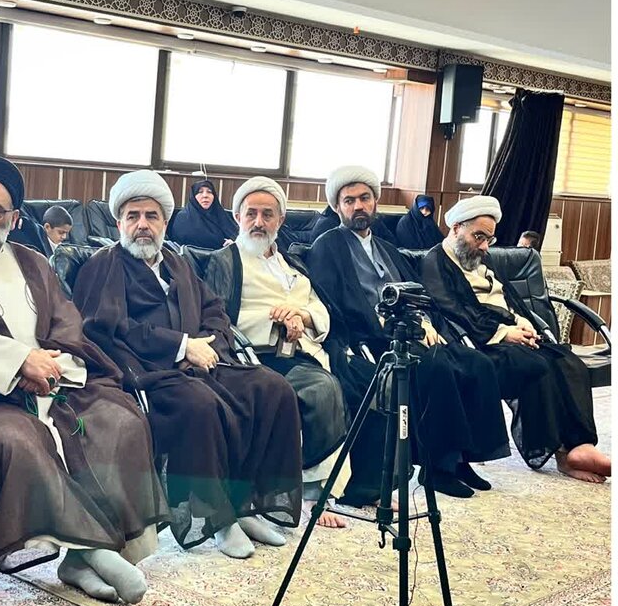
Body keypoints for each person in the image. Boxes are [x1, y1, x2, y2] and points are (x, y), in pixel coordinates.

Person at [0, 152, 168, 604]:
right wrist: (19, 362)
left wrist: (51, 365)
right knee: (20, 439)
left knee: (120, 419)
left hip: (55, 382)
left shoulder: (34, 262)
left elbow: (67, 322)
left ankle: (81, 559)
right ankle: (93, 550)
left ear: (15, 218)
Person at [72, 170, 304, 559]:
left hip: (204, 360)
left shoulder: (177, 263)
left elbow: (214, 309)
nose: (142, 225)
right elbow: (105, 326)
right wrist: (181, 346)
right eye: (132, 216)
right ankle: (218, 518)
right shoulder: (104, 265)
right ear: (119, 223)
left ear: (165, 221)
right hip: (148, 371)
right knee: (201, 406)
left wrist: (207, 344)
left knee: (272, 389)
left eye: (151, 216)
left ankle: (246, 503)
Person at [307, 165, 511, 499]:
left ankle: (464, 458)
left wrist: (424, 321)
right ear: (338, 207)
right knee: (436, 366)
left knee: (477, 363)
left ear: (375, 202)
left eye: (364, 198)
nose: (358, 206)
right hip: (373, 337)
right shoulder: (326, 246)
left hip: (413, 328)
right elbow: (333, 302)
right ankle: (437, 467)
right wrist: (387, 324)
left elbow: (419, 291)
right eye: (349, 201)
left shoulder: (387, 247)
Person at [204, 177, 392, 525]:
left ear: (280, 220)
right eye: (251, 214)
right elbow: (218, 317)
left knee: (379, 382)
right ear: (237, 217)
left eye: (268, 215)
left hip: (312, 348)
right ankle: (312, 492)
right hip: (264, 354)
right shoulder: (226, 261)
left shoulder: (291, 262)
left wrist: (302, 316)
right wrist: (277, 320)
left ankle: (365, 486)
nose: (258, 222)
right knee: (323, 390)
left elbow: (320, 308)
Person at [421, 195, 609, 483]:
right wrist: (503, 332)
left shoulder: (480, 259)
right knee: (535, 365)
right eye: (478, 237)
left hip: (506, 333)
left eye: (489, 239)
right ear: (456, 228)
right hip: (477, 342)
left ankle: (579, 446)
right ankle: (561, 452)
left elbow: (510, 300)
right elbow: (453, 309)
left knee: (568, 362)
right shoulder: (435, 261)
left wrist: (523, 323)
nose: (484, 246)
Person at [169, 179, 237, 249]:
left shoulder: (221, 216)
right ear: (193, 196)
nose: (205, 195)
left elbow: (236, 237)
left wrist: (233, 244)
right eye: (200, 192)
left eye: (209, 192)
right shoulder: (183, 217)